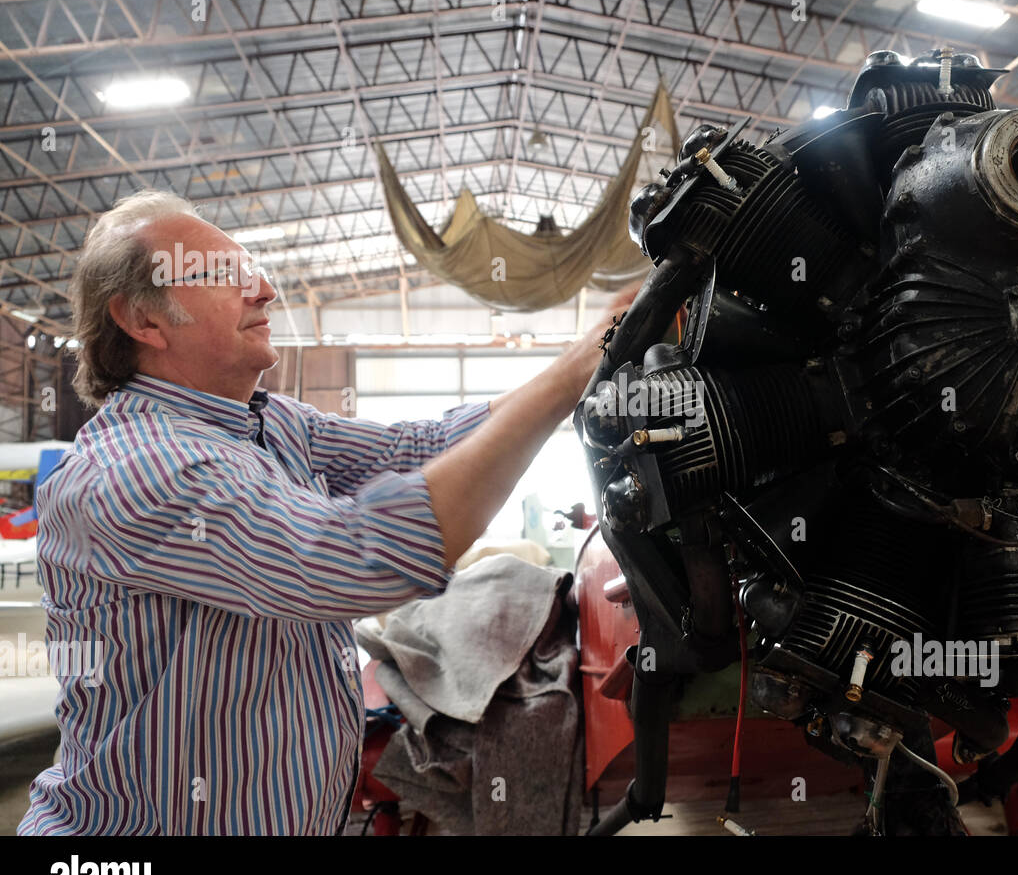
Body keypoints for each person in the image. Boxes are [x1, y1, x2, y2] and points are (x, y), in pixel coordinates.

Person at [18, 189, 636, 834]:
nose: (263, 291)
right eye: (225, 276)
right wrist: (573, 374)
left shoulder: (271, 424)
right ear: (143, 319)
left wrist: (592, 357)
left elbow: (422, 448)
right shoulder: (136, 470)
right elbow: (355, 559)